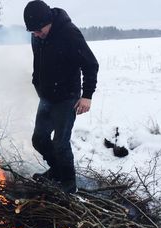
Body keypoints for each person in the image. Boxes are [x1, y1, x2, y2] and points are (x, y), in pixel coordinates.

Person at [23, 0, 99, 193]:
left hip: (67, 98)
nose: (37, 35)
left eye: (40, 30)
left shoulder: (69, 33)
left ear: (49, 21)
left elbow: (90, 64)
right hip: (46, 97)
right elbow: (38, 63)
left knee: (60, 143)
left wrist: (87, 95)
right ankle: (57, 170)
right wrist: (36, 82)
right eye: (33, 32)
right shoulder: (37, 35)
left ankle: (68, 183)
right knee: (39, 139)